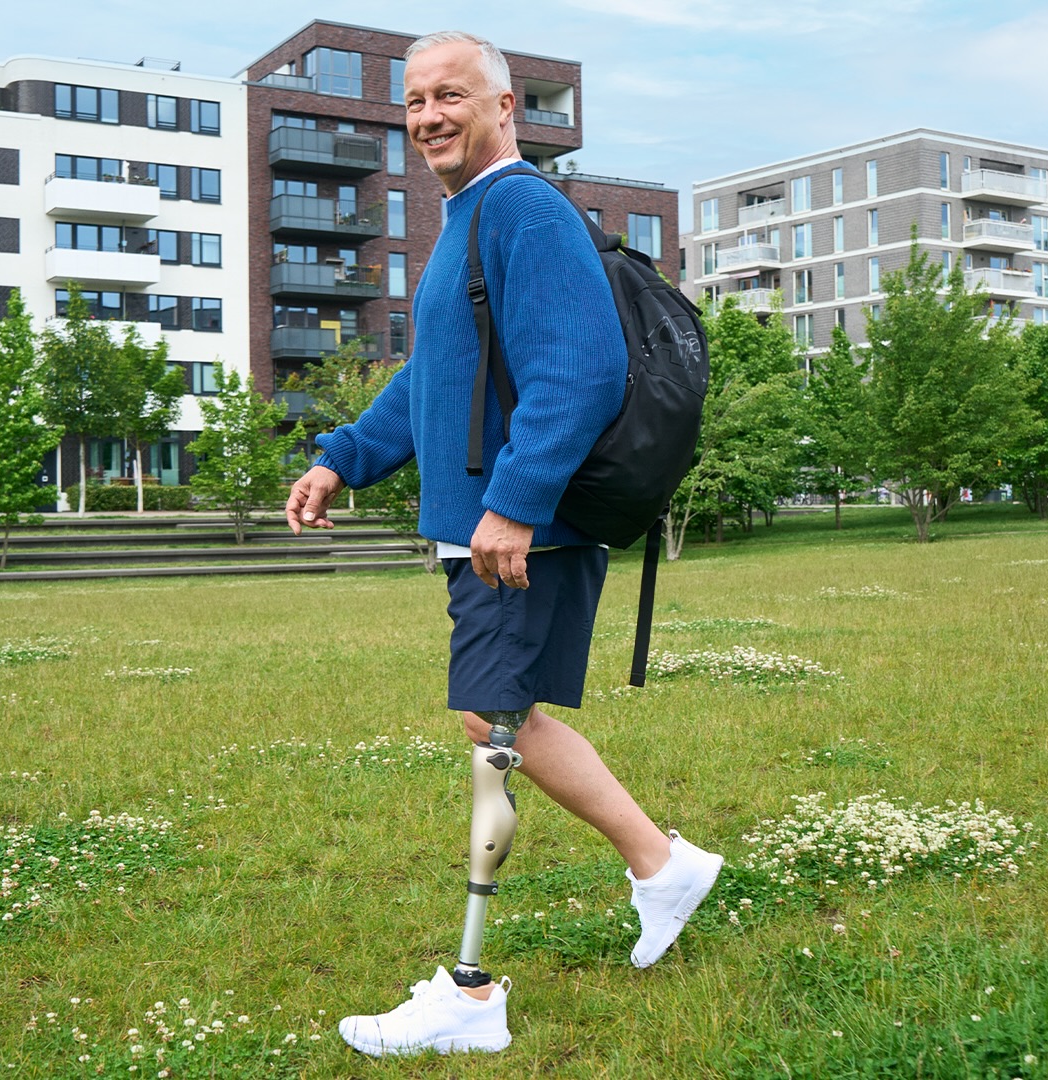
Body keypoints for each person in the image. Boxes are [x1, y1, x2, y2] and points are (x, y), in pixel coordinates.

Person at [282, 30, 723, 1058]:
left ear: (503, 108)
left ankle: (473, 1000)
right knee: (499, 715)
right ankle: (663, 867)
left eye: (451, 96)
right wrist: (343, 455)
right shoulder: (471, 220)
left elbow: (581, 371)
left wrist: (517, 502)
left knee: (492, 721)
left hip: (519, 536)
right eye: (415, 100)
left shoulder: (522, 208)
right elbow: (436, 378)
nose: (430, 114)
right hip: (497, 528)